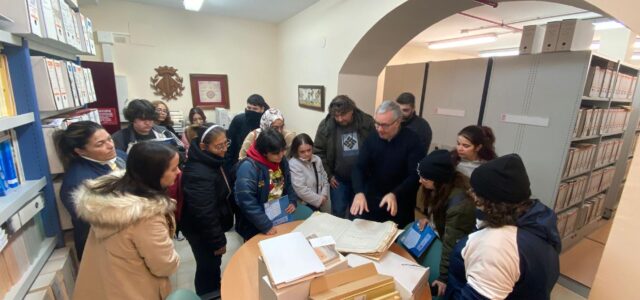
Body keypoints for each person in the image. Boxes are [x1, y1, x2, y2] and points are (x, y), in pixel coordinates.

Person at [73, 142, 181, 300]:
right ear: (154, 173)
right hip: (134, 289)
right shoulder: (146, 215)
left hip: (105, 284)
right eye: (173, 169)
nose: (178, 172)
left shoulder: (112, 196)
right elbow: (164, 265)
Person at [446, 154, 561, 299]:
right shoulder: (537, 221)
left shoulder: (496, 246)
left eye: (476, 191)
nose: (471, 194)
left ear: (488, 201)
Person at [54, 121, 127, 261]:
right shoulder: (79, 182)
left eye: (109, 139)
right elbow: (99, 222)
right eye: (100, 144)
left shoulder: (119, 156)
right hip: (103, 249)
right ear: (80, 151)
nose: (110, 145)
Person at [350, 100, 425, 228]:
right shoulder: (372, 137)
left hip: (399, 202)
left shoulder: (413, 141)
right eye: (377, 123)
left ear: (398, 122)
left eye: (384, 125)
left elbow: (415, 175)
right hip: (372, 200)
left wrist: (395, 193)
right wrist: (359, 192)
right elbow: (359, 167)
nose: (379, 129)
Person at [180, 125, 234, 299]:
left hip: (211, 223)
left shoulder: (212, 159)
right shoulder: (198, 171)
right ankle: (209, 294)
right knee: (208, 266)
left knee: (211, 264)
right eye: (219, 146)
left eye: (226, 143)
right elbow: (204, 212)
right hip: (201, 229)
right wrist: (218, 241)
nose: (225, 149)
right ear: (204, 146)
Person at [414, 150, 476, 297]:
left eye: (425, 178)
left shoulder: (459, 206)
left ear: (438, 179)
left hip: (461, 257)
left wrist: (443, 278)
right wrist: (430, 220)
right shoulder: (441, 188)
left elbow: (451, 244)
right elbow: (435, 209)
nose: (420, 181)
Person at [313, 95, 375, 218]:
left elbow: (376, 148)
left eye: (343, 114)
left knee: (359, 213)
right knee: (338, 212)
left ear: (352, 110)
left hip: (363, 179)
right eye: (336, 116)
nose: (340, 119)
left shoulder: (367, 122)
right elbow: (318, 152)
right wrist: (329, 175)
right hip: (339, 180)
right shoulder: (326, 126)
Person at [235, 128, 298, 240]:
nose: (281, 155)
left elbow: (287, 183)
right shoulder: (248, 168)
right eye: (275, 153)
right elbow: (247, 202)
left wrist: (292, 200)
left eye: (283, 150)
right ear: (264, 152)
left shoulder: (281, 160)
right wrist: (265, 225)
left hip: (277, 216)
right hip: (255, 223)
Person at [112, 99, 184, 153]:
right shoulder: (120, 138)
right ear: (132, 119)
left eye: (151, 119)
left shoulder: (164, 132)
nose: (148, 123)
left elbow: (181, 150)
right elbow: (119, 162)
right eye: (143, 119)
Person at [225, 94, 269, 169]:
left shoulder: (266, 123)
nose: (251, 111)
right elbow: (230, 144)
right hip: (238, 162)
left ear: (262, 109)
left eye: (255, 109)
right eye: (249, 108)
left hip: (260, 164)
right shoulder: (238, 120)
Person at [288, 133, 329, 211]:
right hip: (304, 205)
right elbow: (300, 189)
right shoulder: (293, 164)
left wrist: (324, 195)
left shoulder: (317, 159)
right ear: (296, 151)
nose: (307, 154)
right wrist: (319, 200)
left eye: (309, 150)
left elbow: (324, 178)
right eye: (302, 152)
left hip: (319, 201)